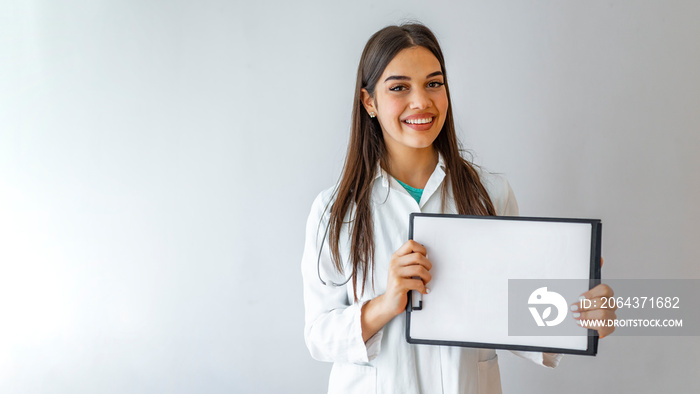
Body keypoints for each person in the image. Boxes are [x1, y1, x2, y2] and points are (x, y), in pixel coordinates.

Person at [301, 23, 616, 394]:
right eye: (399, 87)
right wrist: (386, 303)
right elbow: (318, 336)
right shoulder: (335, 210)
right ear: (369, 101)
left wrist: (582, 318)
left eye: (434, 83)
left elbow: (512, 314)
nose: (421, 102)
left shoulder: (490, 195)